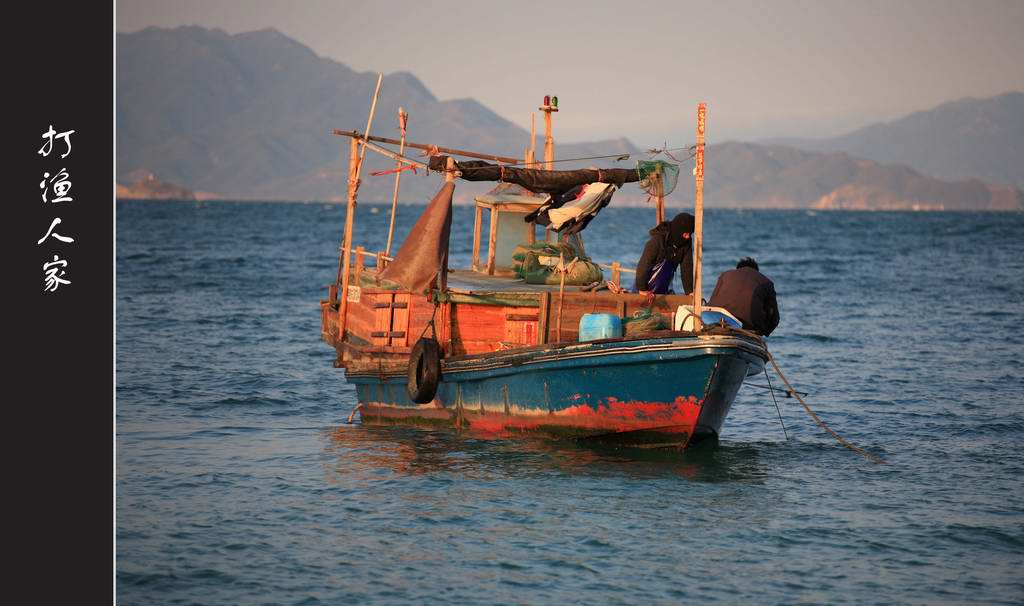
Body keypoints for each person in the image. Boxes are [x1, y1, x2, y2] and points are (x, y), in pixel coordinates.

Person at [707, 257, 779, 336]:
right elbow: (774, 317)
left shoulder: (725, 275)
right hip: (748, 326)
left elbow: (712, 301)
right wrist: (764, 332)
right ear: (756, 271)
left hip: (716, 320)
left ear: (738, 269)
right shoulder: (767, 282)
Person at [634, 212, 694, 295]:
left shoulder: (686, 243)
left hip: (663, 290)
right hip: (643, 289)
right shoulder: (657, 241)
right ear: (679, 231)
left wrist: (689, 291)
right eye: (686, 234)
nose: (688, 237)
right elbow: (644, 265)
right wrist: (642, 289)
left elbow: (687, 267)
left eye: (690, 234)